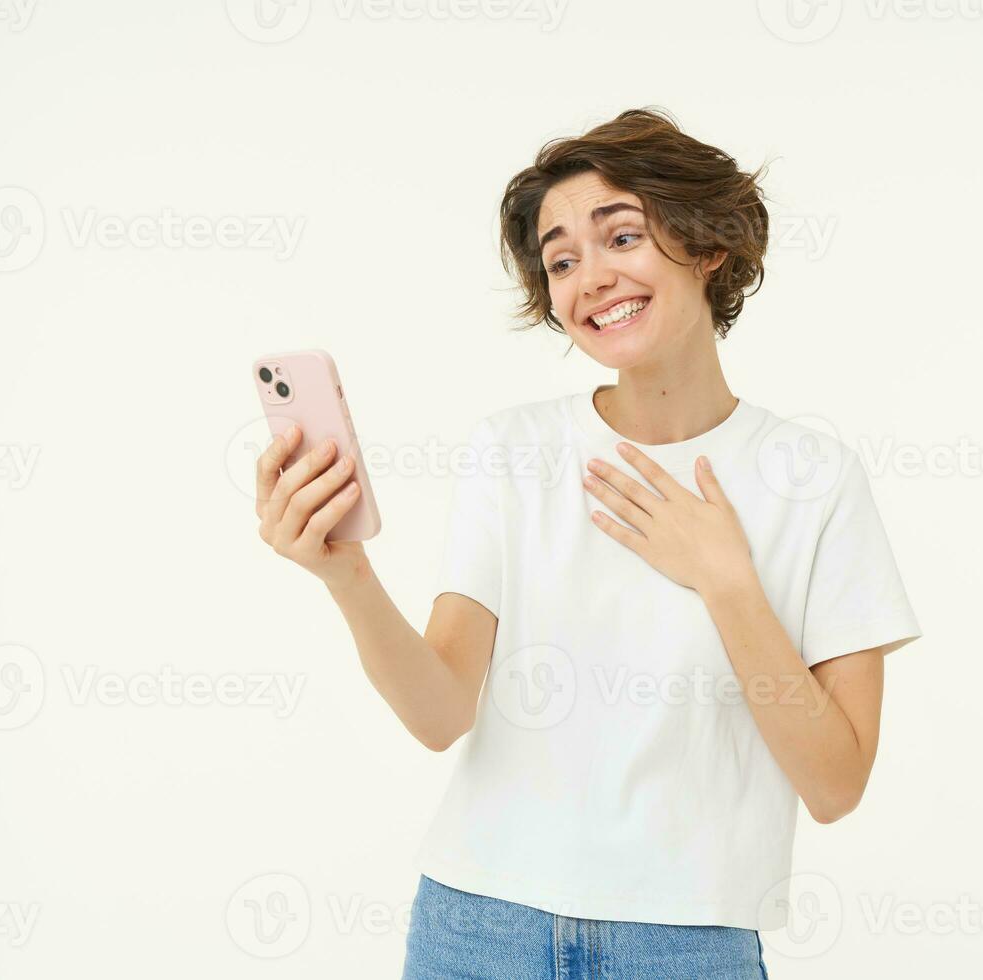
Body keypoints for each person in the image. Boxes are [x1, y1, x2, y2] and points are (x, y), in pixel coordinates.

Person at [253, 107, 921, 979]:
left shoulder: (814, 477)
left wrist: (727, 583)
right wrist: (347, 576)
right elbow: (439, 712)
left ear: (709, 246)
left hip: (684, 944)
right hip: (476, 928)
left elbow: (837, 785)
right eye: (562, 260)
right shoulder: (514, 449)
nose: (590, 277)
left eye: (622, 237)